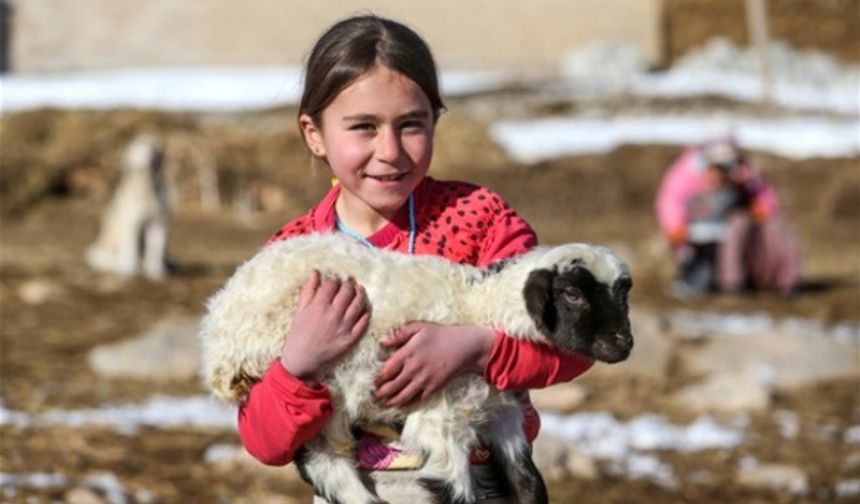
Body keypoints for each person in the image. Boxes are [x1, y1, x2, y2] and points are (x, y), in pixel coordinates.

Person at [236, 15, 594, 503]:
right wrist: (297, 365)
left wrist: (476, 347)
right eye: (364, 127)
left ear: (435, 119)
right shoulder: (291, 262)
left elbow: (574, 342)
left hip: (478, 483)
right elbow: (264, 441)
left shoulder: (479, 222)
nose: (390, 151)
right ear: (314, 133)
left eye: (411, 125)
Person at [655, 136, 802, 298]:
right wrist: (676, 226)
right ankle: (701, 281)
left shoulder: (741, 182)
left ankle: (739, 282)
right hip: (698, 240)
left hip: (732, 236)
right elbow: (671, 200)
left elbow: (763, 196)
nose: (714, 177)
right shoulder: (688, 176)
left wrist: (761, 207)